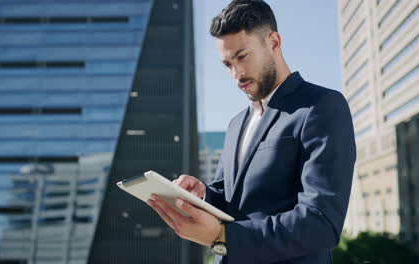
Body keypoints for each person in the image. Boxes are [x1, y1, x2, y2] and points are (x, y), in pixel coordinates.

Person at [146, 0, 356, 263]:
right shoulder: (236, 123)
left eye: (242, 56)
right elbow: (231, 201)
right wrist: (203, 195)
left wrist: (222, 236)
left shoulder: (322, 106)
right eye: (227, 64)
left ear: (274, 42)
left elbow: (321, 223)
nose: (237, 73)